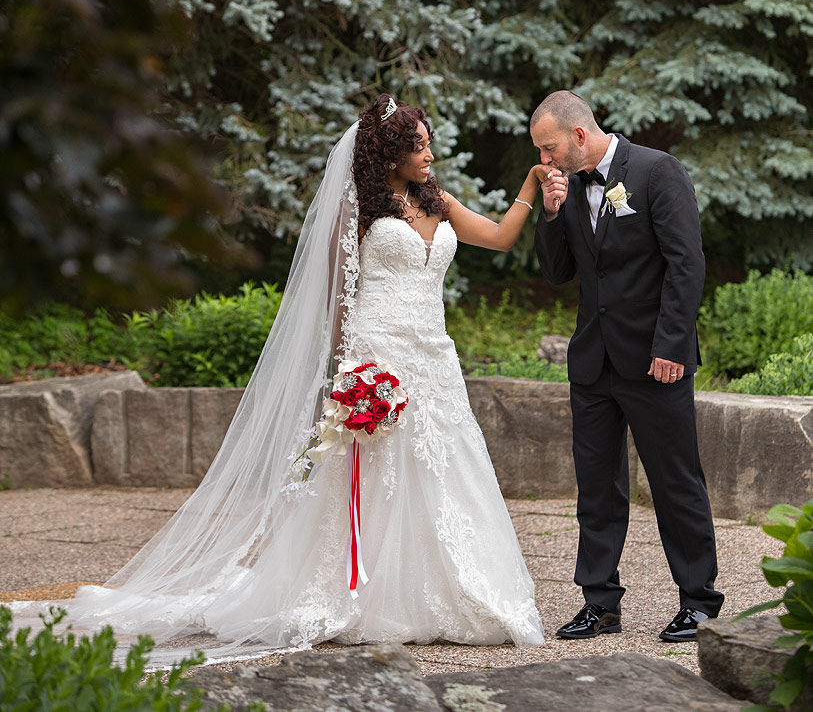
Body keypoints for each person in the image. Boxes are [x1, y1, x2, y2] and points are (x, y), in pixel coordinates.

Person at [8, 94, 545, 664]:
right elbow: (340, 298)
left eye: (428, 143)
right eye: (418, 146)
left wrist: (531, 184)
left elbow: (499, 237)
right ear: (389, 153)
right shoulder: (358, 209)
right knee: (376, 472)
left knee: (444, 462)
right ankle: (362, 594)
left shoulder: (437, 200)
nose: (429, 154)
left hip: (434, 355)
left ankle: (446, 589)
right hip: (379, 349)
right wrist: (348, 370)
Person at [531, 90, 724, 643]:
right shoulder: (567, 186)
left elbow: (686, 264)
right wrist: (551, 213)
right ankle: (600, 603)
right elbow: (558, 272)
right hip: (594, 362)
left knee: (675, 481)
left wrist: (672, 345)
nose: (544, 160)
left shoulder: (658, 172)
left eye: (548, 148)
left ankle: (699, 602)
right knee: (596, 487)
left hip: (655, 360)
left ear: (579, 135)